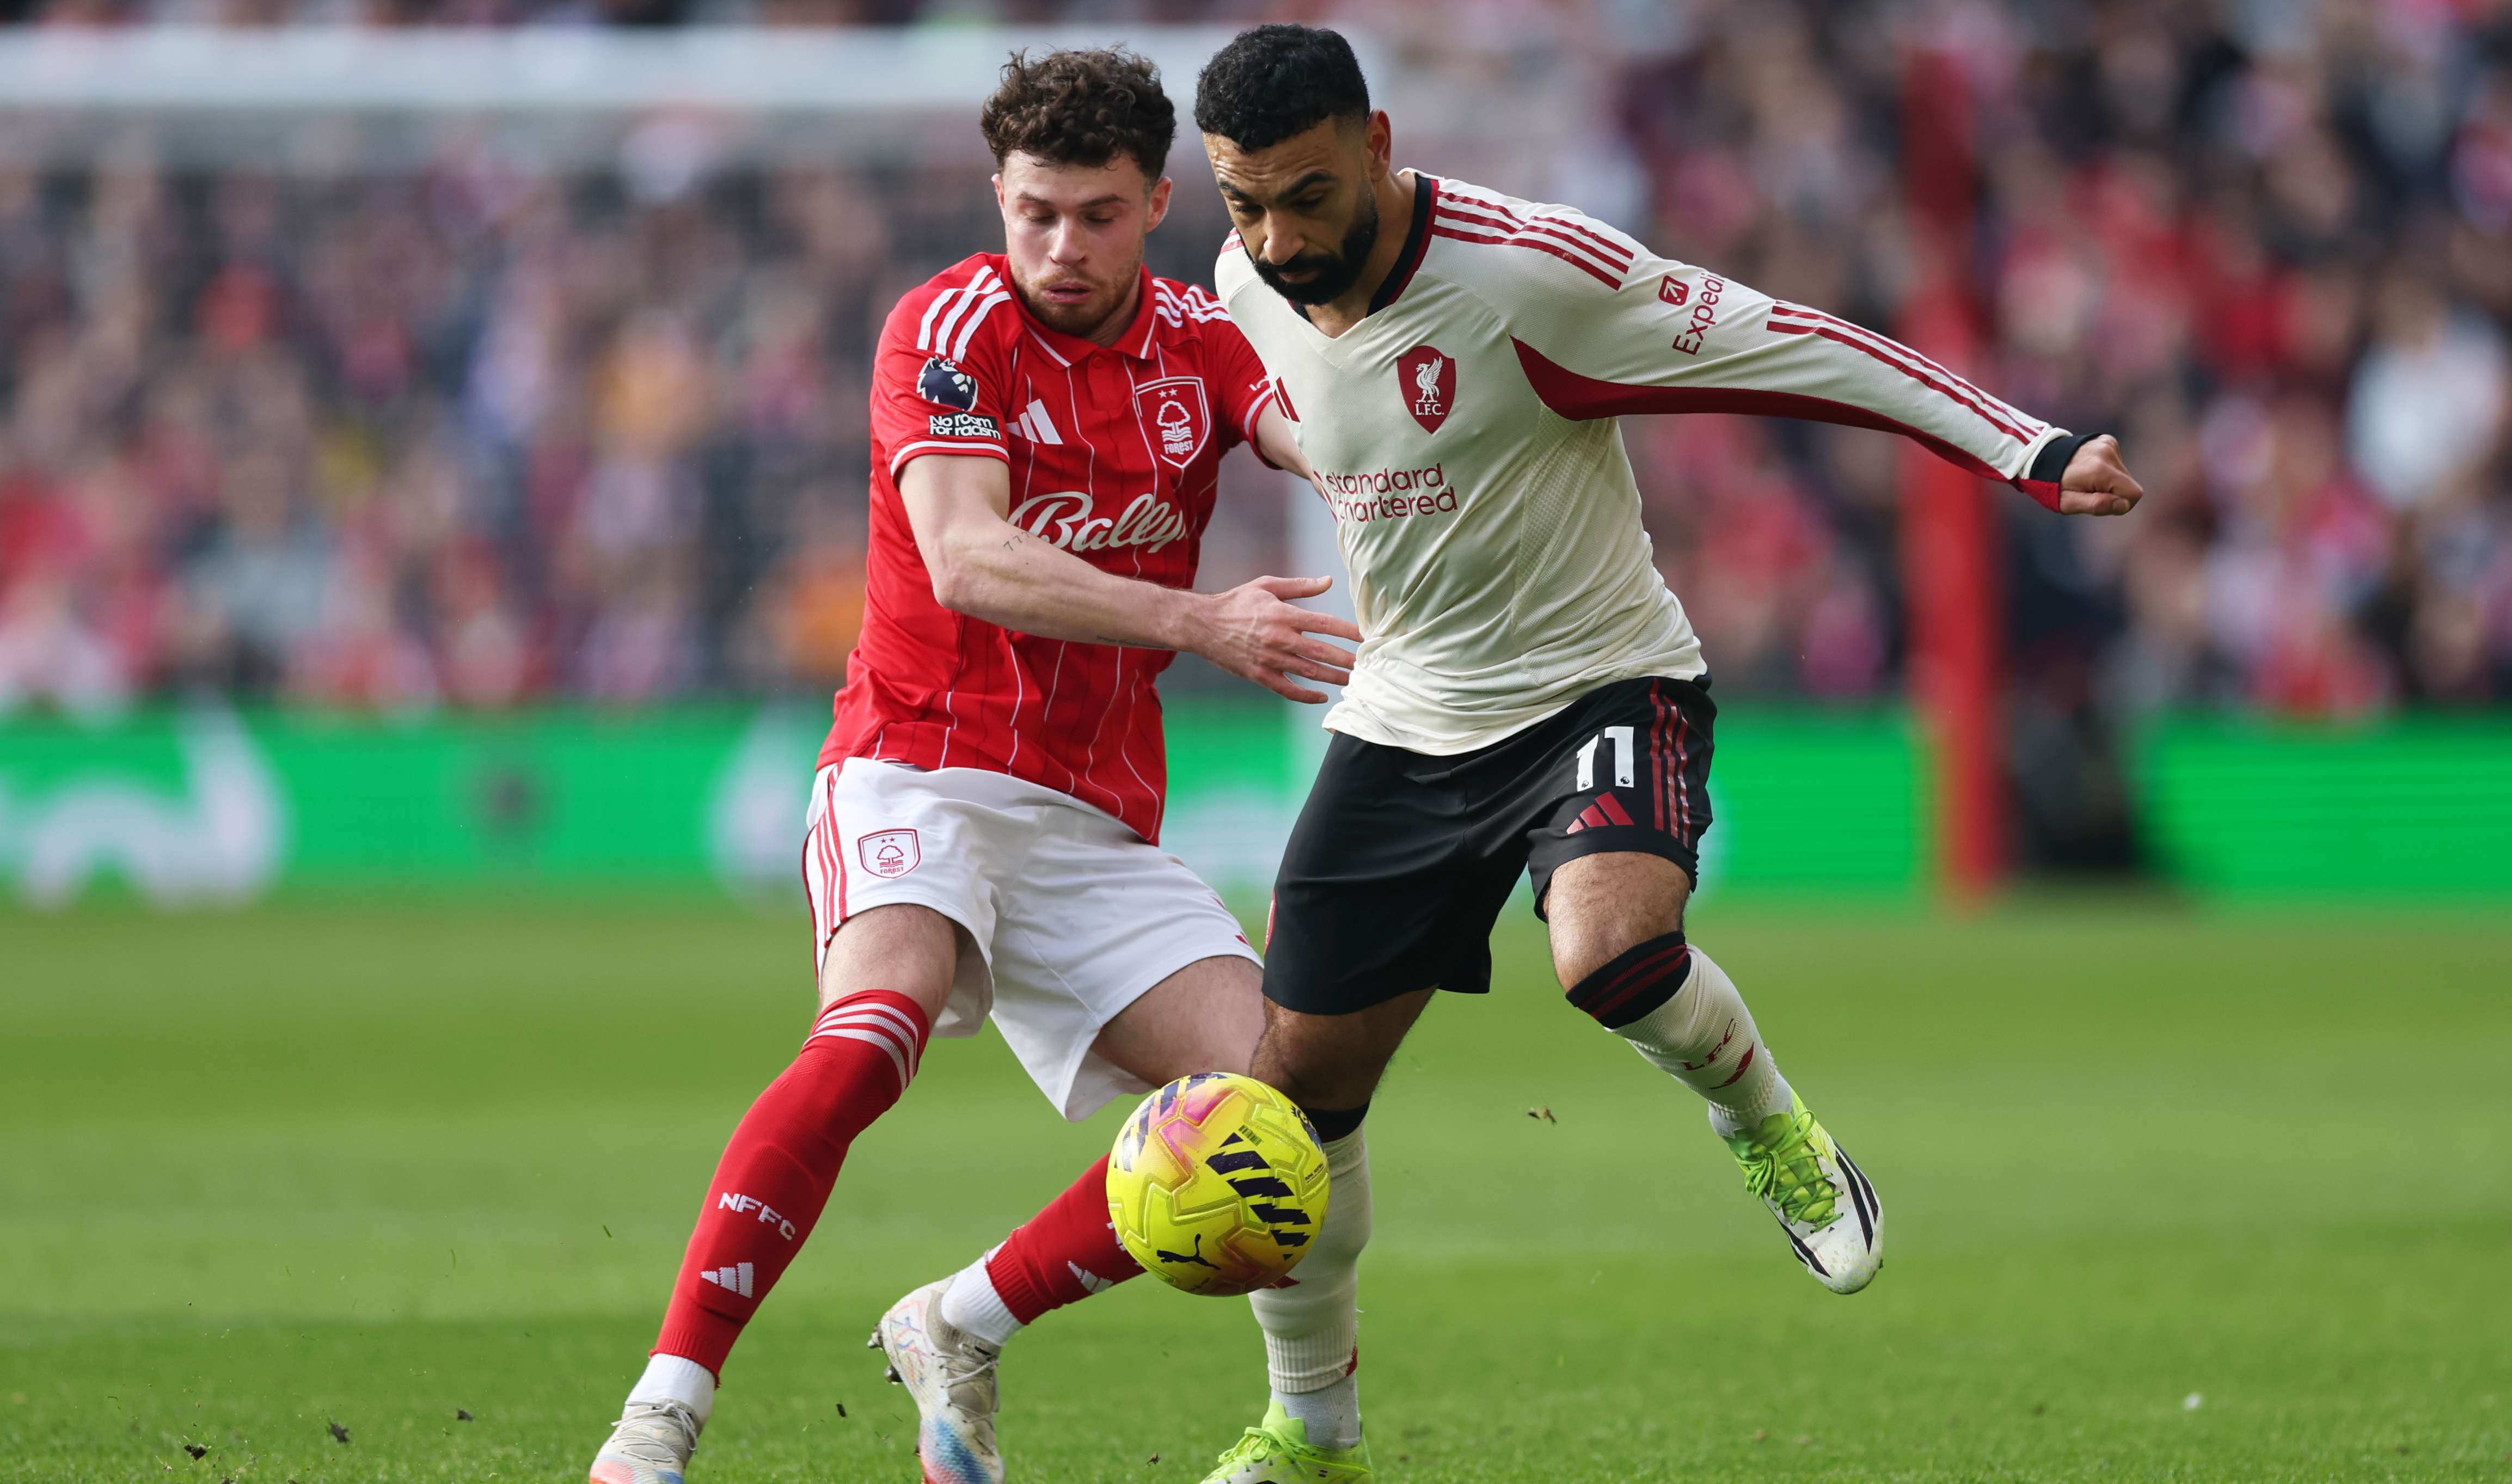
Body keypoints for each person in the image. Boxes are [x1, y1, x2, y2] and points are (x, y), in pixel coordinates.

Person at [1151, 23, 2145, 1481]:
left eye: (1307, 196)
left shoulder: (1533, 274)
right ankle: (1313, 1434)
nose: (1278, 238)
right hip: (1408, 718)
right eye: (1246, 203)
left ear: (1376, 145)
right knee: (1294, 1104)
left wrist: (2026, 448)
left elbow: (1796, 345)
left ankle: (1771, 1126)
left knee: (1609, 954)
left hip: (1600, 685)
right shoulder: (1245, 283)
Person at [585, 46, 1374, 1484]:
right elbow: (967, 557)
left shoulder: (1203, 343)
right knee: (871, 1033)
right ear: (999, 199)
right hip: (919, 764)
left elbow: (1341, 448)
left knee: (1275, 1124)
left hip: (1092, 822)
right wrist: (1202, 622)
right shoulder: (947, 330)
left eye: (1097, 215)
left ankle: (961, 1321)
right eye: (1034, 213)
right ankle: (660, 1416)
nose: (1061, 247)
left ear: (1156, 207)